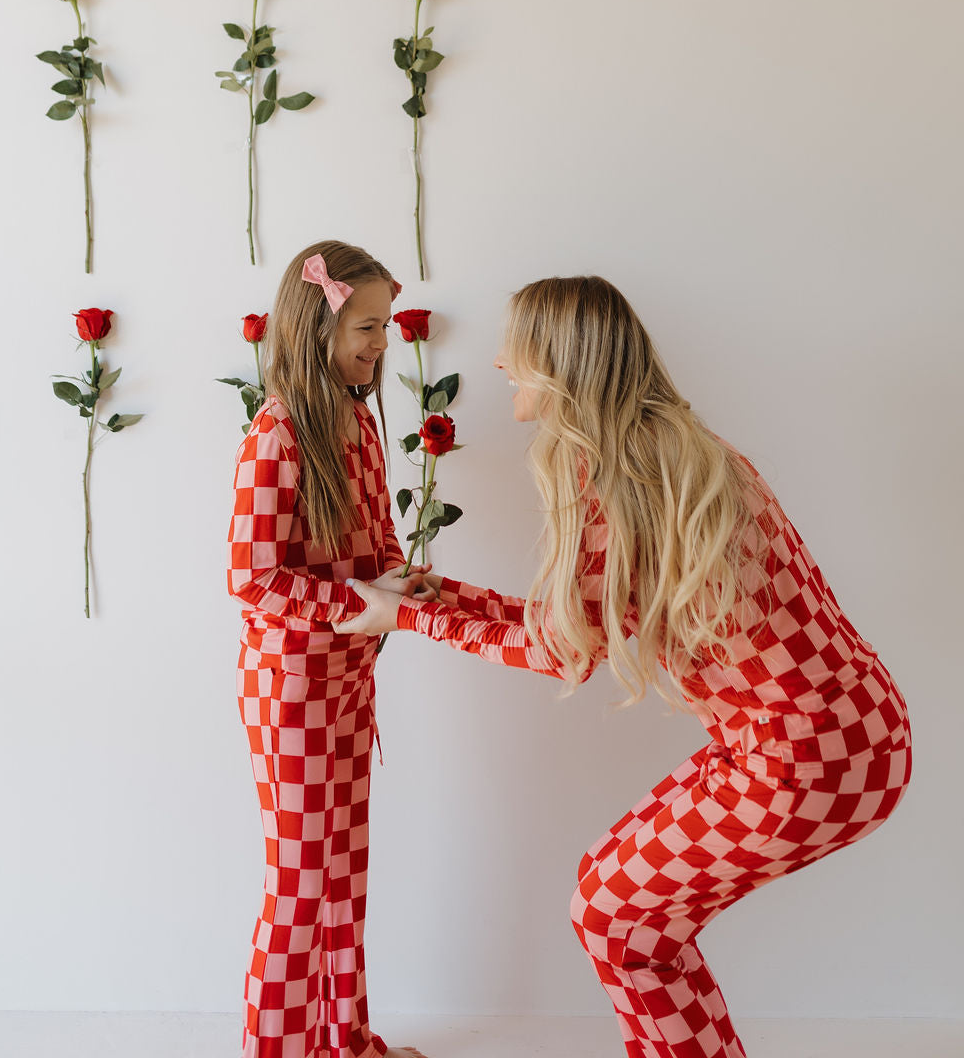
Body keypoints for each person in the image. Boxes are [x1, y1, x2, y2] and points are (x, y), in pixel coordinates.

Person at [336, 275, 912, 1058]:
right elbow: (579, 624)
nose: (500, 361)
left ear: (561, 362)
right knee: (615, 907)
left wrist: (405, 614)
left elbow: (557, 651)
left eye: (518, 346)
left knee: (618, 916)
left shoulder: (608, 475)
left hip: (799, 755)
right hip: (846, 732)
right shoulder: (669, 450)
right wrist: (450, 595)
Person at [228, 240, 433, 1058]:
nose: (383, 344)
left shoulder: (354, 420)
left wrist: (396, 577)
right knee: (301, 890)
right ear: (318, 325)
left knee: (343, 883)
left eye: (386, 325)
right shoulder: (275, 434)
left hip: (347, 681)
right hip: (291, 692)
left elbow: (375, 536)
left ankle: (342, 1043)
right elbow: (251, 581)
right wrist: (362, 600)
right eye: (368, 327)